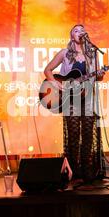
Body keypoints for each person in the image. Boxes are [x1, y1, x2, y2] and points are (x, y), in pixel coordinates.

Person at [43, 24, 105, 184]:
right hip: (70, 99)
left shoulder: (92, 55)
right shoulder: (64, 53)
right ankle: (73, 171)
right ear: (72, 36)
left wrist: (100, 74)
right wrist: (55, 83)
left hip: (88, 98)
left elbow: (97, 78)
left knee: (88, 136)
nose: (80, 32)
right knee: (73, 136)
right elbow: (48, 70)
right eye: (76, 30)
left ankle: (87, 171)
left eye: (82, 30)